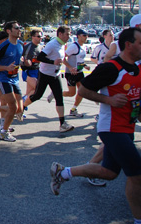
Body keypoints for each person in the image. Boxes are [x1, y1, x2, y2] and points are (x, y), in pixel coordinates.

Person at [49, 27, 141, 223]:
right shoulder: (111, 68)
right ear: (128, 45)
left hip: (127, 127)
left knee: (109, 172)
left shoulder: (137, 68)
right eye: (140, 43)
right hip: (112, 128)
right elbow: (83, 91)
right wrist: (108, 100)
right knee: (137, 174)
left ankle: (64, 172)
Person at [23, 26, 74, 133]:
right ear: (60, 34)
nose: (69, 36)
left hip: (55, 75)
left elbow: (62, 58)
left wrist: (69, 67)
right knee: (37, 95)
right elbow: (40, 57)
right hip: (45, 74)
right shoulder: (52, 44)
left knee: (59, 97)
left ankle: (62, 124)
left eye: (69, 34)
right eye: (67, 34)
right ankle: (22, 107)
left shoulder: (63, 45)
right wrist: (53, 62)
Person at [0, 21, 24, 142]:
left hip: (15, 80)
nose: (19, 30)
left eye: (20, 28)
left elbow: (18, 59)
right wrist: (6, 68)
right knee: (12, 107)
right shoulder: (3, 46)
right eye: (17, 28)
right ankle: (3, 132)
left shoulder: (20, 44)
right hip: (3, 79)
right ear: (9, 31)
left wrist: (24, 63)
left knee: (20, 109)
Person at [62, 28, 90, 117]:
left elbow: (79, 60)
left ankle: (73, 109)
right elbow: (62, 57)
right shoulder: (74, 46)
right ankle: (57, 93)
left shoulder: (83, 46)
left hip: (80, 72)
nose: (86, 37)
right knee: (71, 94)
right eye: (84, 35)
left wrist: (84, 65)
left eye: (87, 35)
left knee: (82, 91)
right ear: (78, 36)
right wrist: (70, 67)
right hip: (71, 74)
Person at [21, 29, 43, 97]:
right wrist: (25, 62)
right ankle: (22, 103)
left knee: (30, 92)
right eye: (38, 36)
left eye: (41, 36)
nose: (40, 38)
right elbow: (20, 57)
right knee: (38, 89)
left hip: (36, 71)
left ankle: (22, 105)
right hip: (28, 71)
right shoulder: (28, 47)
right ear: (33, 37)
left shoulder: (40, 47)